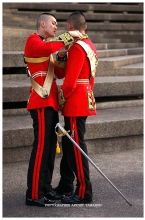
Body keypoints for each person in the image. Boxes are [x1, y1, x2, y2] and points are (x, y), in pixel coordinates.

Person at [24, 12, 83, 207]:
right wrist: (69, 36)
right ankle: (33, 194)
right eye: (53, 23)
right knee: (41, 149)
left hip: (50, 102)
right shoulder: (33, 40)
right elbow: (44, 47)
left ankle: (45, 188)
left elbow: (58, 72)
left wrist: (61, 55)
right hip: (40, 101)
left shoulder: (48, 48)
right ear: (42, 23)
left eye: (58, 24)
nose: (56, 27)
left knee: (49, 149)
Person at [55, 11, 98, 204]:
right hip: (85, 96)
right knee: (69, 144)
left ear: (69, 27)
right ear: (84, 27)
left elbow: (69, 82)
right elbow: (91, 78)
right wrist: (63, 55)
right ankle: (66, 184)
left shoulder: (78, 47)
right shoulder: (90, 46)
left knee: (76, 147)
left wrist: (60, 99)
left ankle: (83, 192)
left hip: (75, 101)